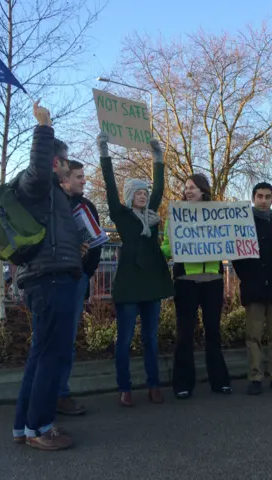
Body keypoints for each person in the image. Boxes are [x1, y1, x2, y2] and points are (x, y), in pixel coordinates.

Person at [12, 101, 83, 450]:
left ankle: (23, 427)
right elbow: (38, 170)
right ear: (56, 163)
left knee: (41, 353)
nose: (70, 170)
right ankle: (40, 428)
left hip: (51, 278)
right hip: (51, 280)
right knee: (52, 354)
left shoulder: (52, 195)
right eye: (66, 163)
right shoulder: (37, 183)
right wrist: (44, 127)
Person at [98, 132, 174, 407]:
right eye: (138, 193)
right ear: (130, 198)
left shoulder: (152, 217)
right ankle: (125, 387)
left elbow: (160, 188)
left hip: (151, 283)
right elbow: (108, 185)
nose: (143, 196)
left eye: (144, 192)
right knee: (125, 339)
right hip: (129, 284)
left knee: (151, 339)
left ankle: (153, 385)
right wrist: (104, 151)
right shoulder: (121, 216)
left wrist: (158, 157)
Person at [162, 174, 231, 399]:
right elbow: (165, 247)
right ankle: (183, 383)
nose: (187, 191)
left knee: (213, 332)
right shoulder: (175, 215)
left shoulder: (217, 215)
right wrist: (170, 247)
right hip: (186, 281)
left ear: (203, 191)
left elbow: (228, 241)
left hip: (212, 279)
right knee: (184, 333)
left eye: (192, 187)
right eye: (186, 188)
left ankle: (219, 381)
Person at [232, 182, 272, 395]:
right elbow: (237, 258)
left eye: (268, 196)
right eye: (259, 196)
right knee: (254, 335)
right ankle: (256, 376)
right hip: (254, 287)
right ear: (253, 197)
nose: (263, 200)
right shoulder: (243, 224)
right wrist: (248, 278)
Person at [56, 160, 102, 416]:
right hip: (50, 279)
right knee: (50, 338)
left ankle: (61, 394)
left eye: (84, 176)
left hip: (75, 280)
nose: (83, 180)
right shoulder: (53, 204)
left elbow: (96, 244)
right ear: (64, 178)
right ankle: (45, 394)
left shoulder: (88, 207)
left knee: (67, 338)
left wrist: (85, 273)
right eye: (78, 177)